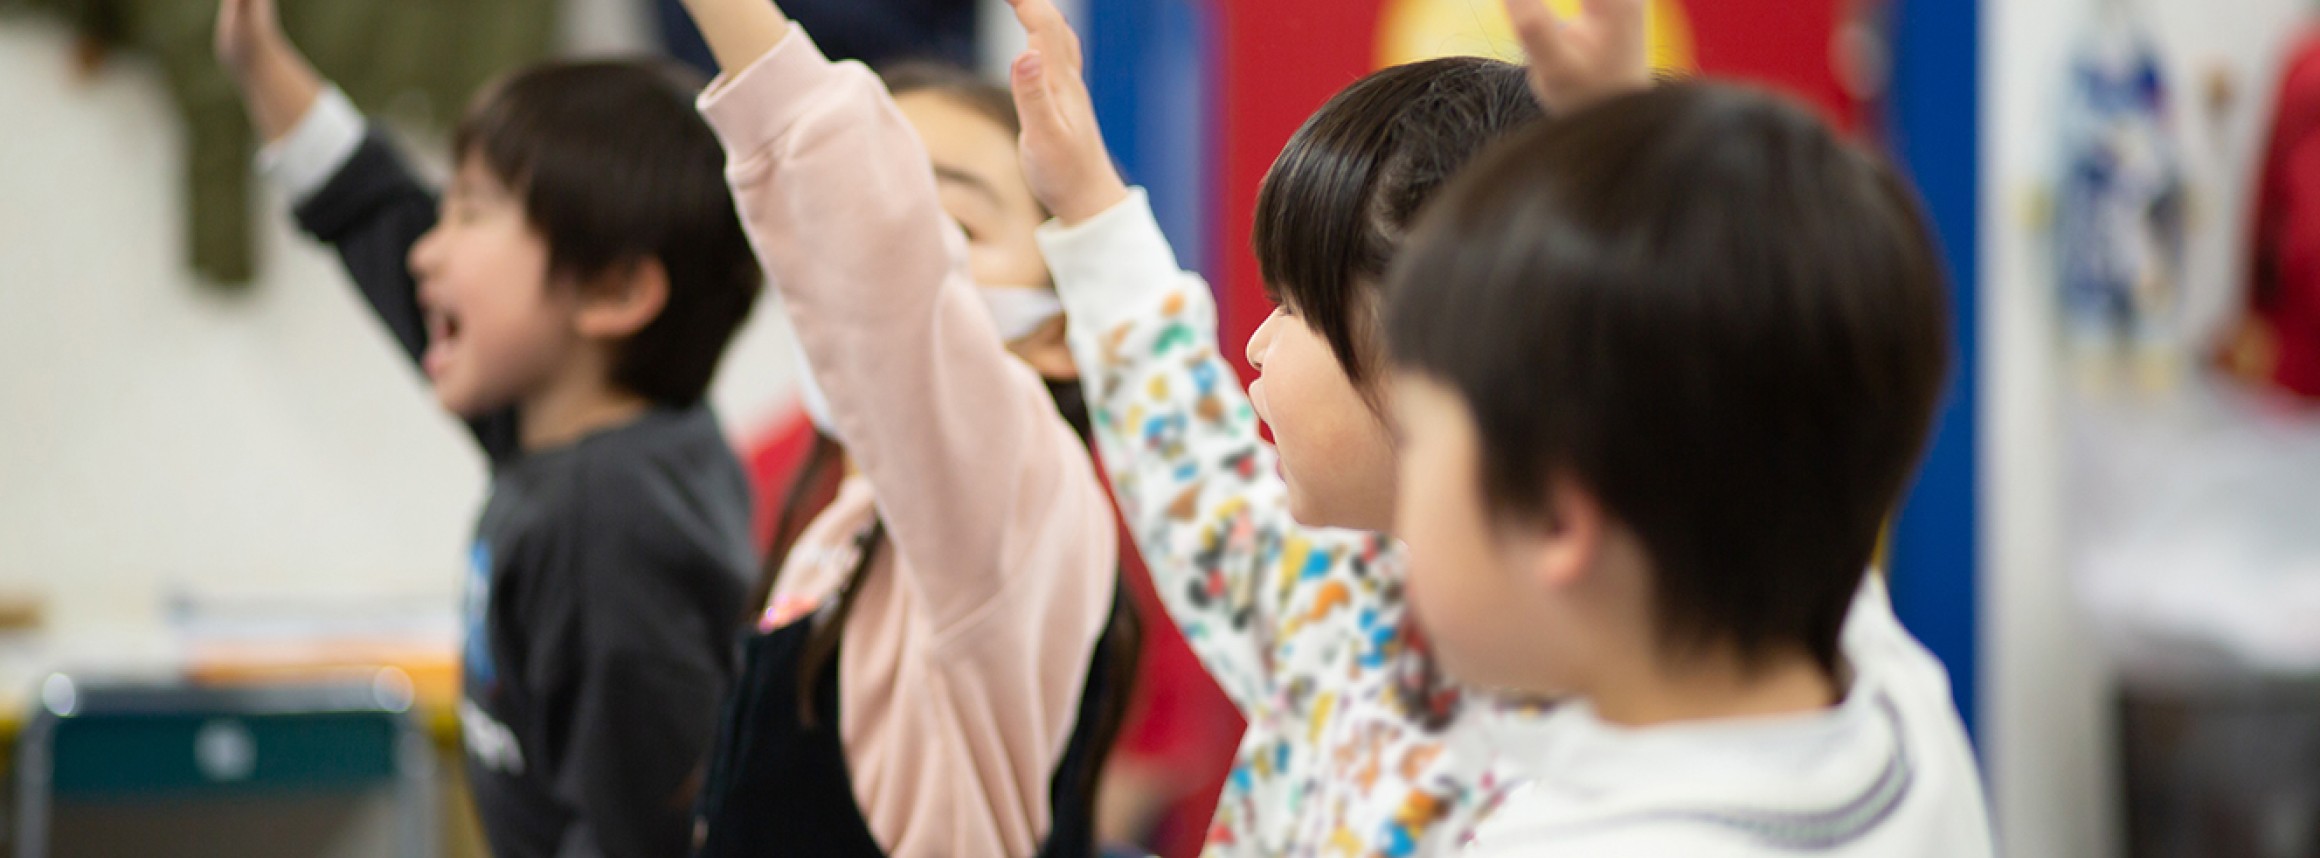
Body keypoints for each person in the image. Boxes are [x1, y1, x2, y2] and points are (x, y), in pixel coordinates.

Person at [1378, 18, 1996, 855]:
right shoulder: (1896, 718)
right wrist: (1623, 146)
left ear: (1560, 520)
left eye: (1415, 440)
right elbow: (1758, 373)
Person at [213, 0, 762, 854]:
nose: (429, 251)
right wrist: (259, 61)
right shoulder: (583, 431)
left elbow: (642, 835)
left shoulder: (609, 524)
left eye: (471, 211)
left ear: (613, 293)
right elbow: (372, 210)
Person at [1001, 0, 1550, 851]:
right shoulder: (1354, 601)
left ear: (1448, 351)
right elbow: (1193, 463)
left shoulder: (1593, 766)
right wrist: (1085, 196)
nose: (1255, 345)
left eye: (1294, 306)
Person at [670, 2, 1134, 855]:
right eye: (903, 211)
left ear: (1063, 330)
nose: (912, 253)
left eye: (952, 230)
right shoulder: (842, 528)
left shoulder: (1029, 488)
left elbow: (881, 253)